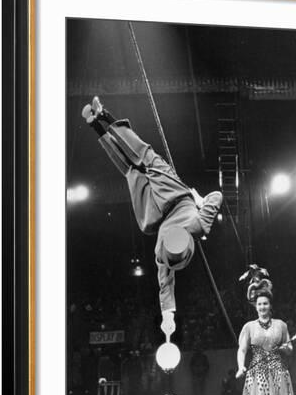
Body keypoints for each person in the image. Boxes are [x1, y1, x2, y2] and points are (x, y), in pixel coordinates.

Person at [81, 96, 223, 340]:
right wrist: (199, 201)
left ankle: (97, 124)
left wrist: (168, 317)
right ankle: (103, 117)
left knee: (131, 171)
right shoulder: (199, 225)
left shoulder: (163, 252)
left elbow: (166, 285)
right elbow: (216, 196)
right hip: (175, 194)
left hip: (154, 213)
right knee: (144, 156)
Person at [236, 268, 296, 395]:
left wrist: (285, 349)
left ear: (270, 305)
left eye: (265, 304)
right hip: (257, 374)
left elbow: (290, 349)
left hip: (278, 373)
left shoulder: (281, 325)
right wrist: (240, 366)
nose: (262, 307)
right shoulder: (249, 327)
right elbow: (242, 350)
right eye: (259, 304)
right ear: (255, 306)